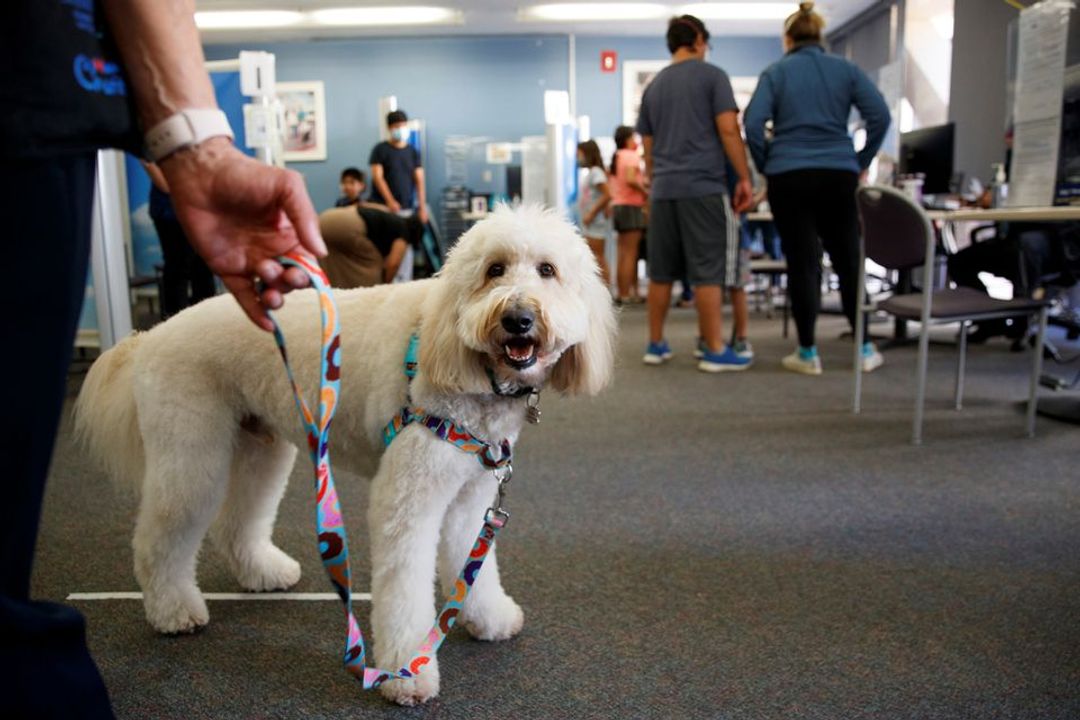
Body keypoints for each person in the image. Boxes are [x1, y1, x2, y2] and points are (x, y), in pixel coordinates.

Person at [1, 2, 326, 717]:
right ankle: (164, 574)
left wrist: (197, 148)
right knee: (187, 481)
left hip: (24, 115)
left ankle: (247, 549)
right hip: (34, 125)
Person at [744, 1, 890, 376]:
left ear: (788, 39)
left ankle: (808, 352)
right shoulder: (846, 69)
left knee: (802, 263)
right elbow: (880, 116)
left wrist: (767, 165)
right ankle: (865, 347)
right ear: (820, 36)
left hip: (788, 176)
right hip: (837, 174)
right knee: (848, 261)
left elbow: (754, 121)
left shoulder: (776, 72)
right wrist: (859, 162)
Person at [635, 14, 755, 372]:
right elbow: (729, 131)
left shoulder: (653, 88)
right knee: (708, 271)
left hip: (664, 191)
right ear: (699, 40)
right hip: (703, 188)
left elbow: (648, 146)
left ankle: (655, 345)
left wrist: (657, 184)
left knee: (660, 273)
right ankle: (715, 349)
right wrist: (745, 178)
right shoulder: (713, 76)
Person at [143, 161, 217, 318]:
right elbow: (148, 162)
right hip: (170, 211)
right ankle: (176, 321)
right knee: (178, 265)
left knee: (203, 265)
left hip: (200, 207)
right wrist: (174, 187)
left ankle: (208, 318)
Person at [609, 126, 649, 304]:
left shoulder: (617, 156)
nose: (637, 141)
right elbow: (631, 179)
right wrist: (647, 191)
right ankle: (626, 293)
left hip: (619, 207)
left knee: (623, 252)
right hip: (631, 207)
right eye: (634, 137)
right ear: (627, 139)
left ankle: (627, 292)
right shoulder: (631, 156)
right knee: (630, 253)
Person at [369, 109, 429, 225]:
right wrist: (390, 201)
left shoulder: (412, 151)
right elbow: (377, 177)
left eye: (403, 126)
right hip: (384, 207)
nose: (401, 129)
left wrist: (422, 208)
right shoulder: (380, 149)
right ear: (389, 128)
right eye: (397, 126)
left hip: (407, 207)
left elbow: (420, 180)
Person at [576, 140, 612, 286]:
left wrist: (591, 213)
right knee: (594, 257)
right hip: (590, 223)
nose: (578, 158)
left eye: (579, 155)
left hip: (595, 223)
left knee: (598, 257)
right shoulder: (592, 173)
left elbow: (607, 194)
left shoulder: (596, 172)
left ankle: (607, 288)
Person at [356, 205, 423, 283]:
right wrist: (386, 285)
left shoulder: (390, 217)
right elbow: (393, 265)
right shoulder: (403, 230)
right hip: (355, 227)